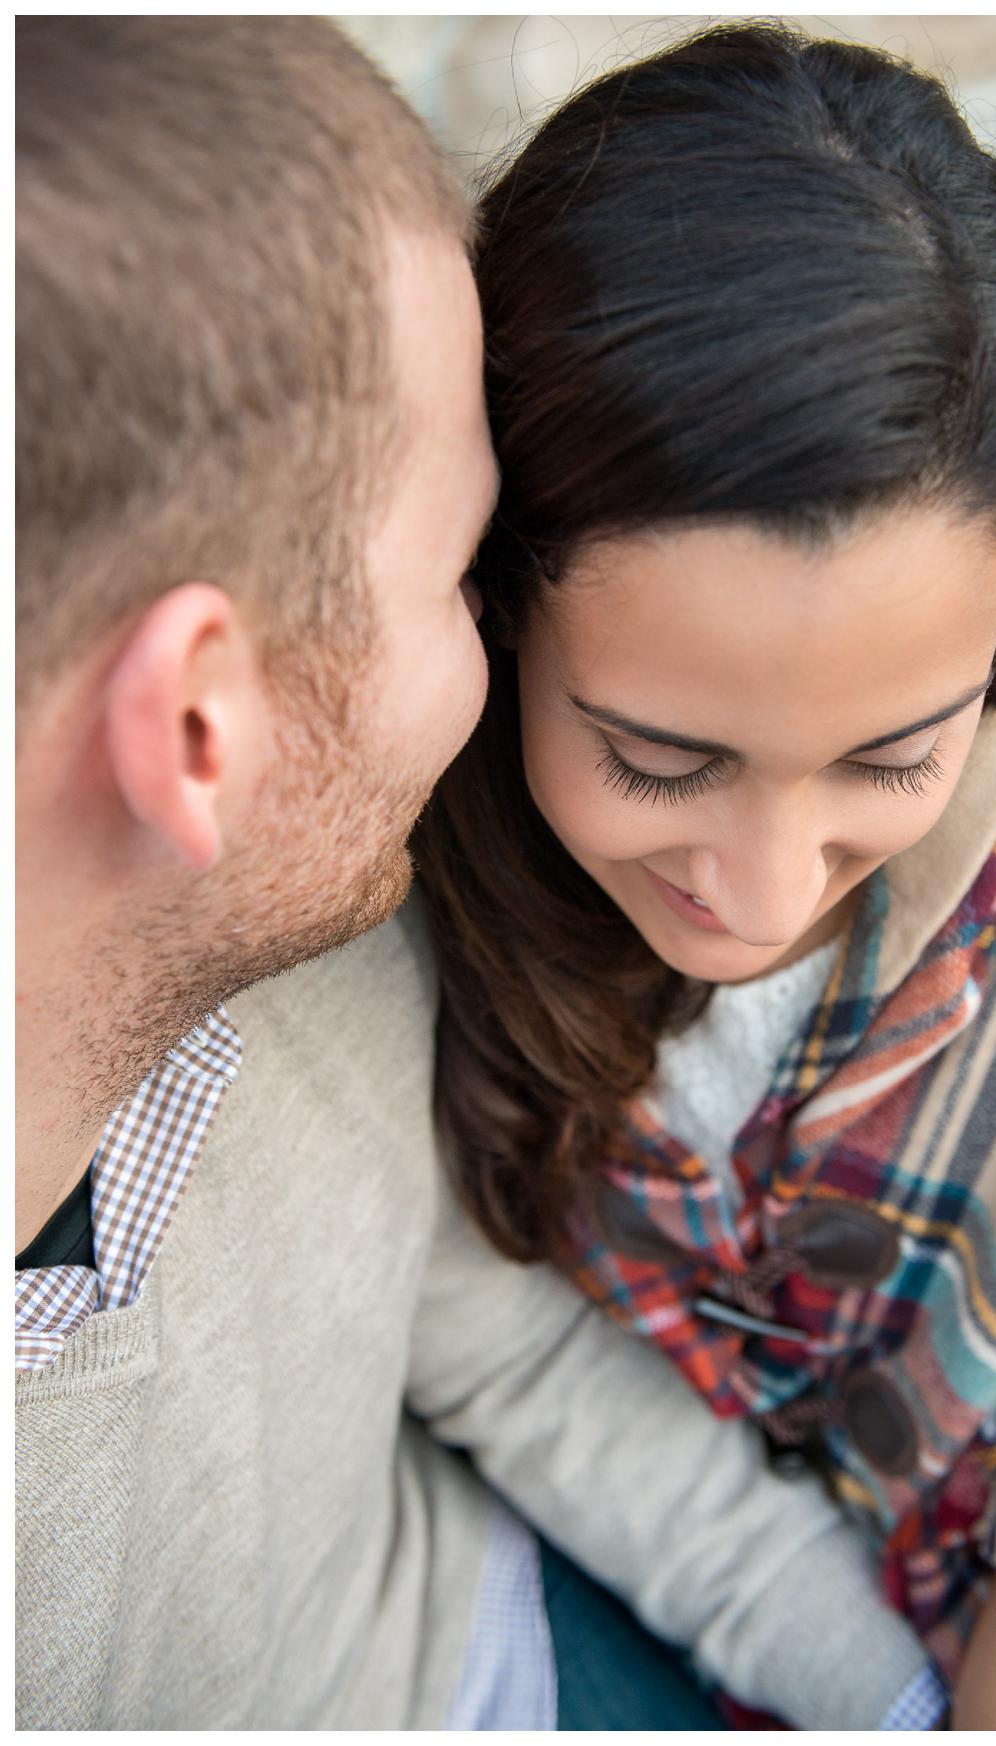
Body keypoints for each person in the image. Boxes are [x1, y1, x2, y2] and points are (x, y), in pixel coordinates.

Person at [16, 18, 947, 1729]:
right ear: (201, 727)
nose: (503, 638)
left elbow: (492, 1343)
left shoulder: (324, 959)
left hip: (503, 1622)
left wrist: (894, 1700)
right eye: (462, 567)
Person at [407, 25, 996, 1729]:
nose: (755, 890)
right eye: (661, 762)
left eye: (896, 756)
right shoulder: (371, 864)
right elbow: (475, 1343)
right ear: (497, 588)